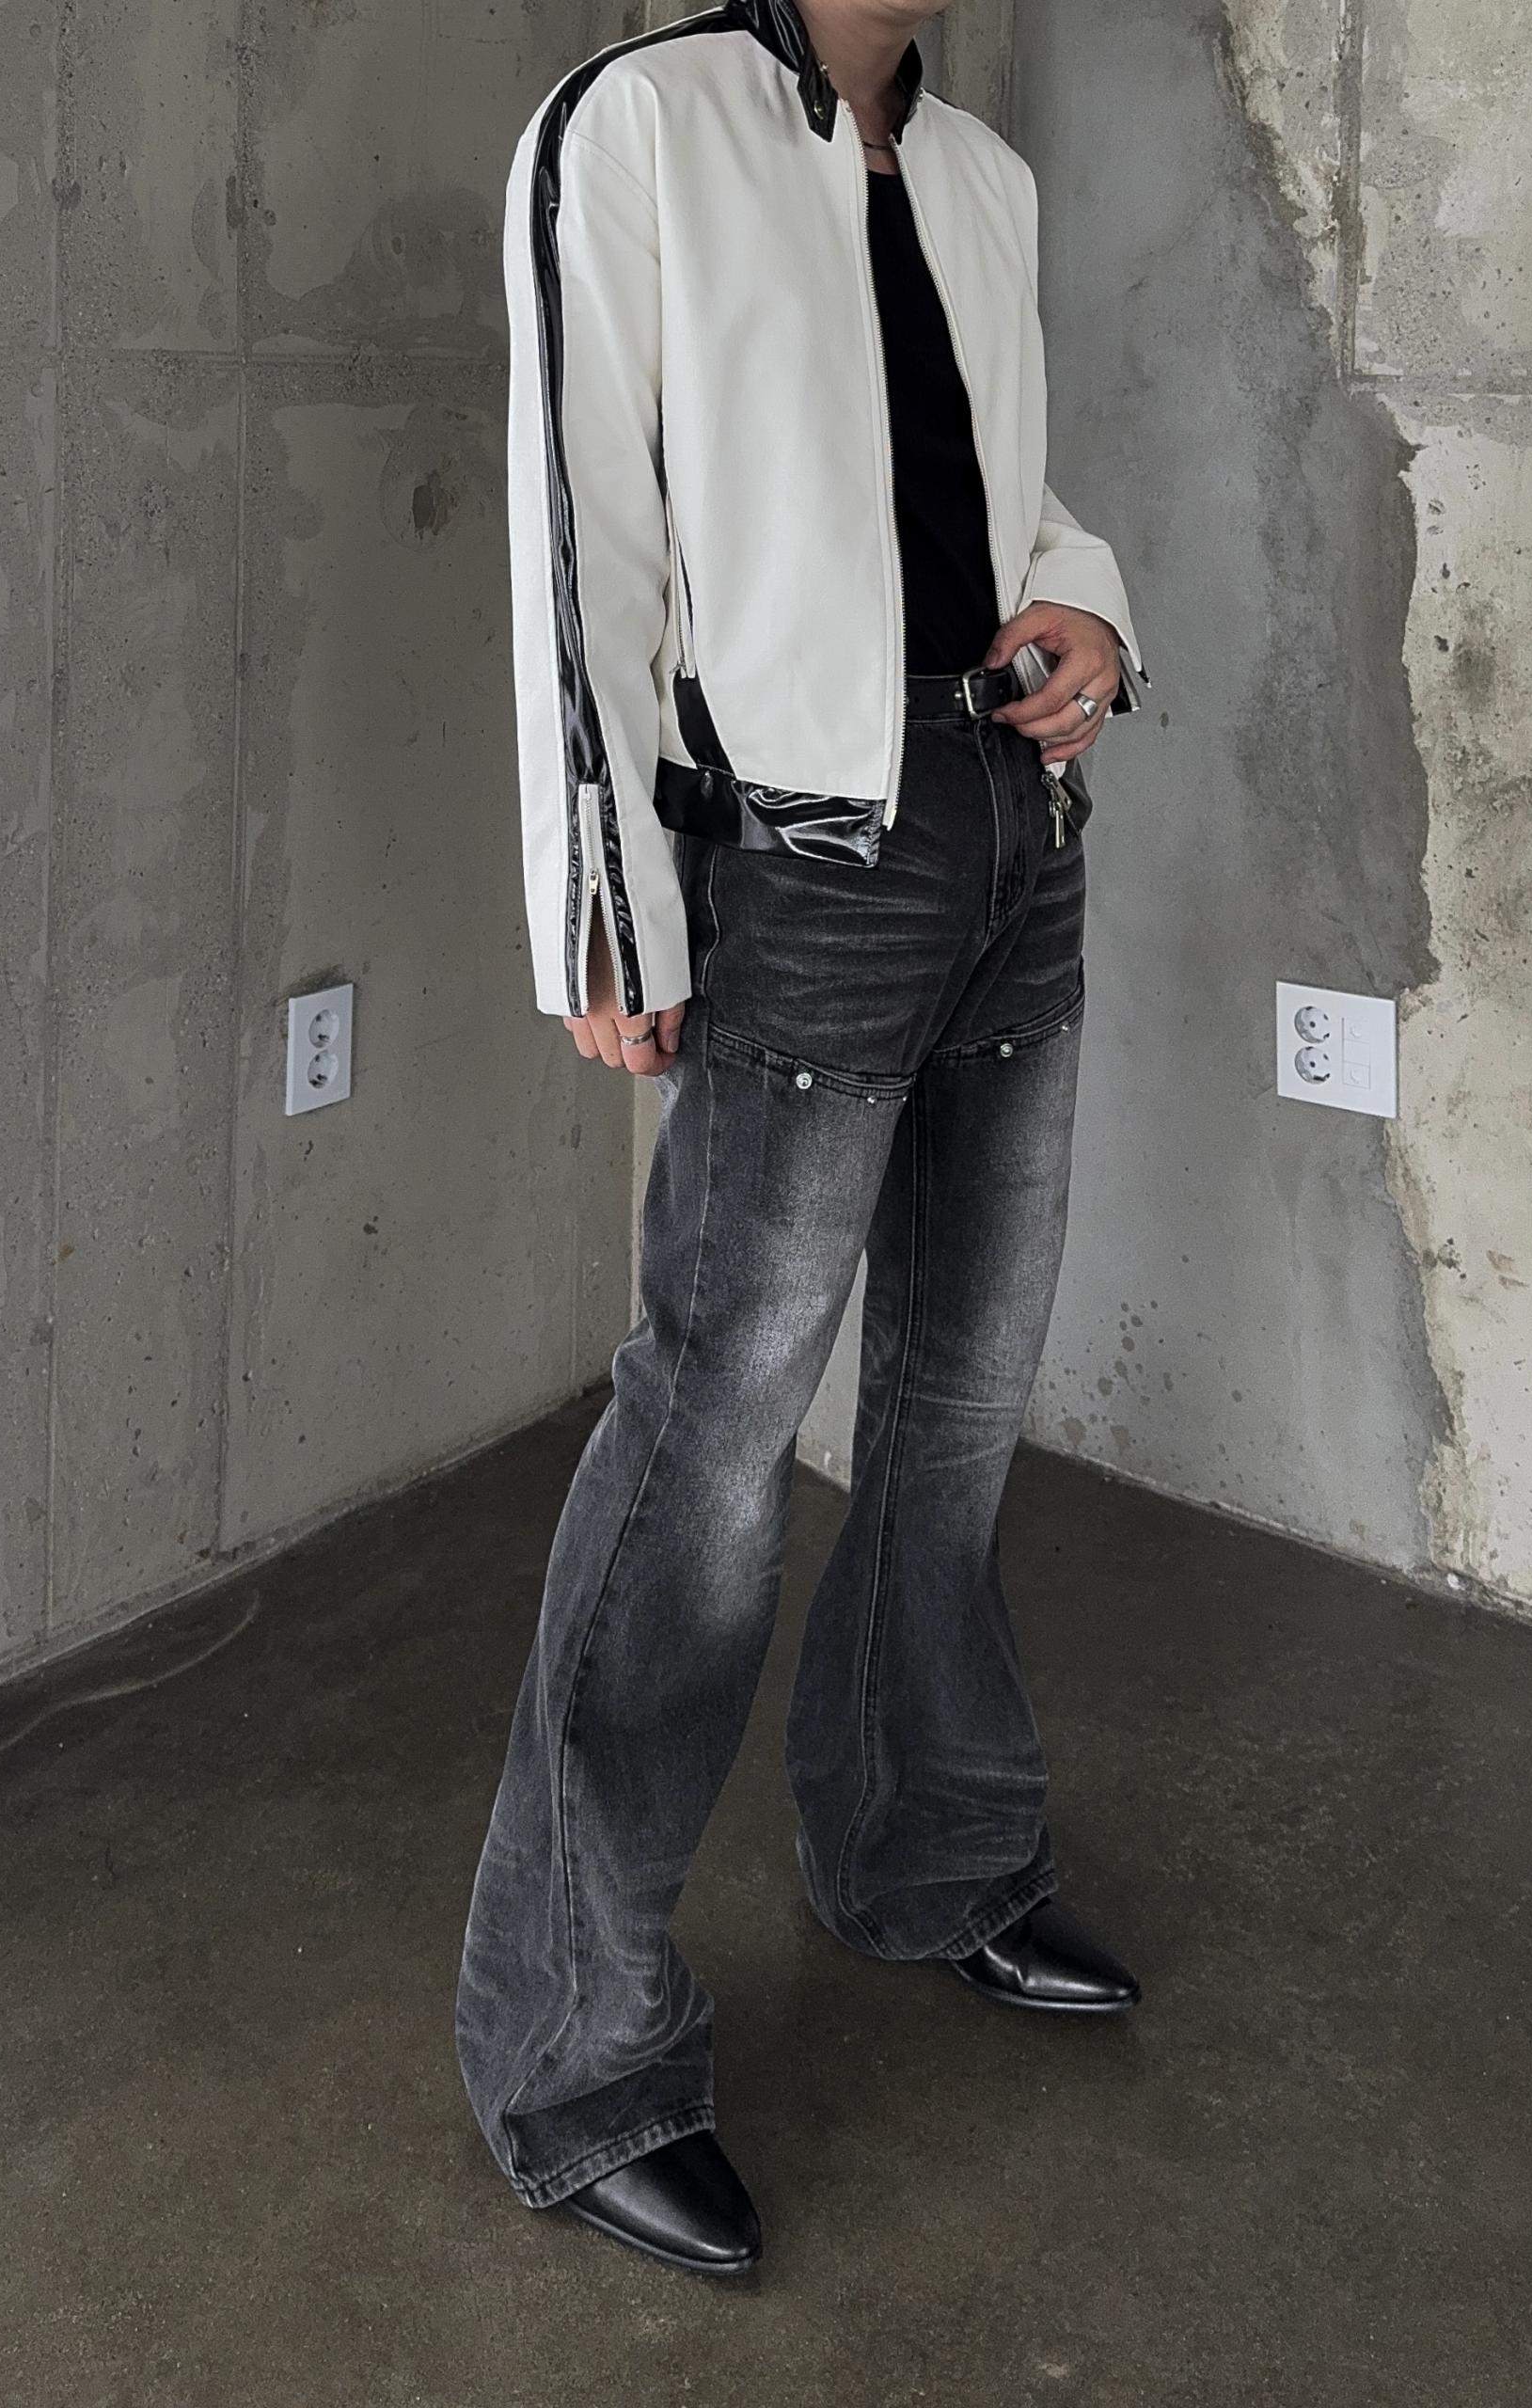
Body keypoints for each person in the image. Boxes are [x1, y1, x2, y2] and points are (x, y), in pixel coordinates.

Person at [457, 0, 1150, 2278]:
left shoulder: (983, 177)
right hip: (802, 864)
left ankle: (930, 1856)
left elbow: (1004, 496)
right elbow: (587, 537)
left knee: (955, 1411)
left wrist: (1094, 608)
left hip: (1012, 826)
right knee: (709, 1456)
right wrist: (606, 900)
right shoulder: (636, 125)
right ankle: (573, 2048)